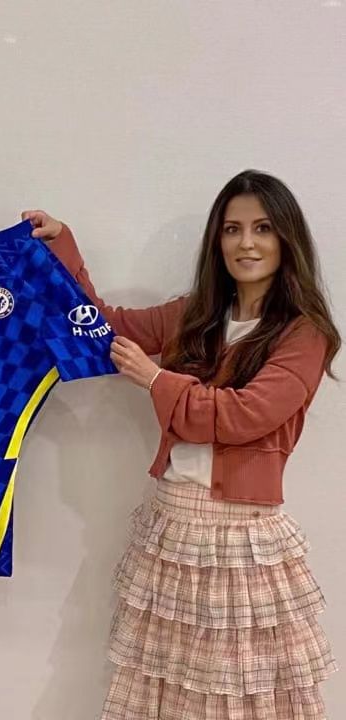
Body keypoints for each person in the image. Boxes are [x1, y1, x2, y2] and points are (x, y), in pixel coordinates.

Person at [23, 170, 340, 719]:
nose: (246, 243)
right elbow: (102, 329)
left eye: (263, 228)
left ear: (287, 239)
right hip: (170, 527)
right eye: (232, 229)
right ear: (217, 240)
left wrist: (156, 380)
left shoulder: (304, 333)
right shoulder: (196, 314)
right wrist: (62, 246)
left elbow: (243, 416)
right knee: (169, 698)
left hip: (240, 538)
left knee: (237, 698)